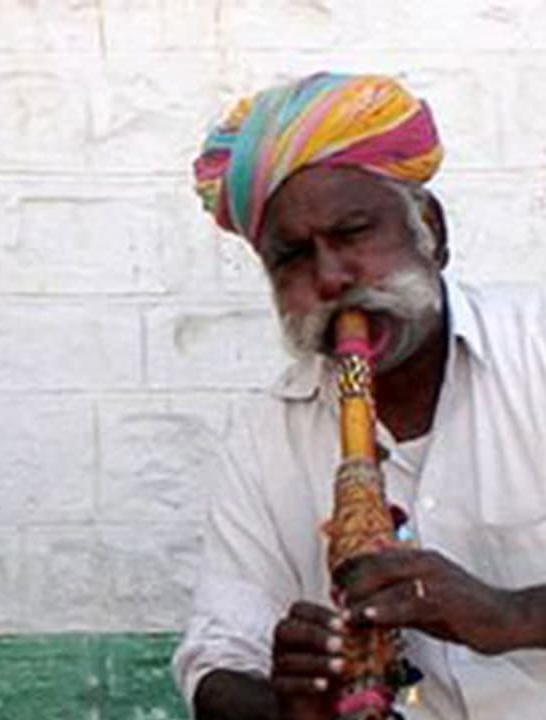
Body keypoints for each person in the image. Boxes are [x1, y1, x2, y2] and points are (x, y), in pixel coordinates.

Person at [174, 72, 546, 719]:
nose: (331, 279)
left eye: (352, 234)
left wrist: (510, 614)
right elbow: (213, 662)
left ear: (431, 229)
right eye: (292, 257)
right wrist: (292, 707)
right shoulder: (267, 439)